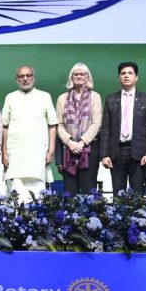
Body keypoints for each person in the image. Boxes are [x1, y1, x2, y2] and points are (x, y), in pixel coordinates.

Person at [100, 62, 146, 195]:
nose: (126, 76)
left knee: (137, 194)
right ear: (119, 77)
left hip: (139, 153)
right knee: (118, 194)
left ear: (136, 77)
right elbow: (105, 129)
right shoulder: (110, 99)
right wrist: (104, 155)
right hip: (116, 152)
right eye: (123, 73)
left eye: (130, 73)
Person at [1, 65, 57, 201]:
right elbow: (5, 126)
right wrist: (4, 152)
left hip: (38, 153)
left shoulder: (45, 96)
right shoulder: (10, 97)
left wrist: (51, 151)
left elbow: (52, 125)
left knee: (37, 192)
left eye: (28, 75)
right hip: (15, 153)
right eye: (21, 76)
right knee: (16, 192)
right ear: (16, 79)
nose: (25, 79)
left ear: (34, 78)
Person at [55, 63, 103, 195]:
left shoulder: (95, 96)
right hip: (68, 150)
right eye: (76, 74)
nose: (79, 76)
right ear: (71, 77)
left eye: (82, 74)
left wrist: (81, 143)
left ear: (87, 77)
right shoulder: (62, 98)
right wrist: (70, 143)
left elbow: (97, 123)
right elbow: (59, 124)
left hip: (89, 150)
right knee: (70, 192)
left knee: (89, 190)